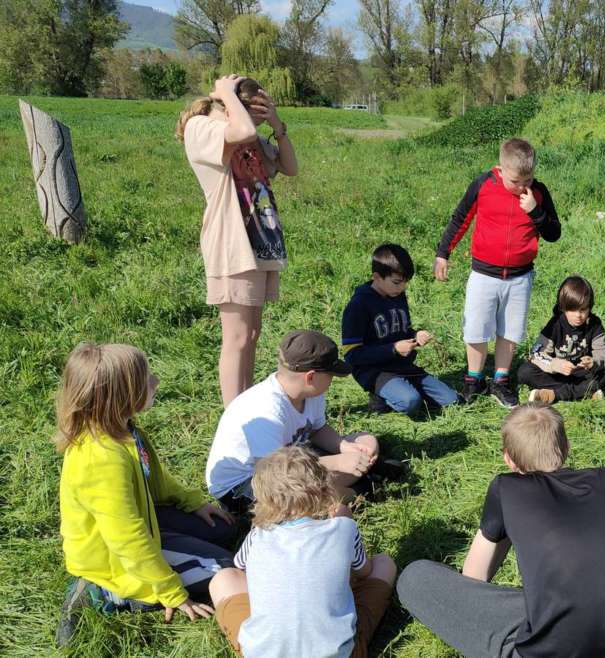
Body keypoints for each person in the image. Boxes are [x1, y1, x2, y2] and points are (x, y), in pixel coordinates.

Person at [396, 404, 605, 658]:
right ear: (566, 447)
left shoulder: (505, 489)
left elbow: (474, 577)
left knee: (414, 577)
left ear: (508, 459)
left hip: (550, 650)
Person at [54, 343, 236, 647]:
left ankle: (168, 554)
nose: (156, 382)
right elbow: (127, 539)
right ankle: (100, 591)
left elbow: (156, 481)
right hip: (115, 561)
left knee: (226, 529)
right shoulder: (102, 460)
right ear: (122, 396)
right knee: (225, 569)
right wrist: (172, 594)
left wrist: (194, 503)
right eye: (146, 379)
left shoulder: (123, 429)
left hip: (144, 524)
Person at [178, 73, 299, 407]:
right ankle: (235, 421)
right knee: (236, 337)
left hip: (260, 242)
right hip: (232, 243)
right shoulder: (203, 128)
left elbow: (289, 167)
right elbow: (242, 130)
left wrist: (277, 124)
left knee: (251, 334)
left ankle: (243, 407)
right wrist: (226, 93)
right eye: (257, 110)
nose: (258, 121)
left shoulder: (253, 136)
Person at [208, 446, 397, 658]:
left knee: (223, 578)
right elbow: (365, 572)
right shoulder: (343, 527)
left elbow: (240, 569)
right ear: (326, 489)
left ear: (262, 499)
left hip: (262, 654)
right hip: (339, 654)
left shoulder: (257, 536)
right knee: (384, 564)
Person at [205, 330, 394, 515]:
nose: (332, 381)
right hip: (250, 483)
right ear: (310, 377)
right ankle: (362, 489)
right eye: (330, 375)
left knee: (366, 441)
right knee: (316, 498)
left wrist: (344, 447)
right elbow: (276, 471)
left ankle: (355, 479)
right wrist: (336, 462)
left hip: (294, 458)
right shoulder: (265, 409)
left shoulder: (310, 392)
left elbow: (317, 430)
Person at [433, 138, 562, 408]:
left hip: (519, 277)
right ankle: (473, 379)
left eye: (528, 179)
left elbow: (554, 233)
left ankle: (501, 380)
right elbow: (460, 218)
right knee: (476, 328)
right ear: (500, 170)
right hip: (484, 274)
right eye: (516, 181)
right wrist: (443, 253)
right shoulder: (484, 185)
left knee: (510, 330)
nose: (522, 187)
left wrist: (535, 212)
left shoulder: (538, 193)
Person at [342, 243, 459, 415]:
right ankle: (380, 396)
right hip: (374, 371)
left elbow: (402, 330)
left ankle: (403, 390)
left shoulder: (397, 295)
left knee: (452, 400)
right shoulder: (358, 306)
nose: (402, 287)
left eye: (405, 283)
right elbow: (351, 355)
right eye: (397, 282)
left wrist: (416, 335)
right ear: (376, 277)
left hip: (403, 367)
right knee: (410, 402)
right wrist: (393, 349)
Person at [516, 275, 605, 403]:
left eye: (583, 309)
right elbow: (536, 354)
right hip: (557, 374)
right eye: (572, 310)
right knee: (525, 371)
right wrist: (556, 364)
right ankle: (586, 391)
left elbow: (604, 353)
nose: (579, 315)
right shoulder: (555, 325)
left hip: (583, 373)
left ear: (590, 307)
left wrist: (593, 362)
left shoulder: (595, 324)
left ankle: (554, 394)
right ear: (563, 307)